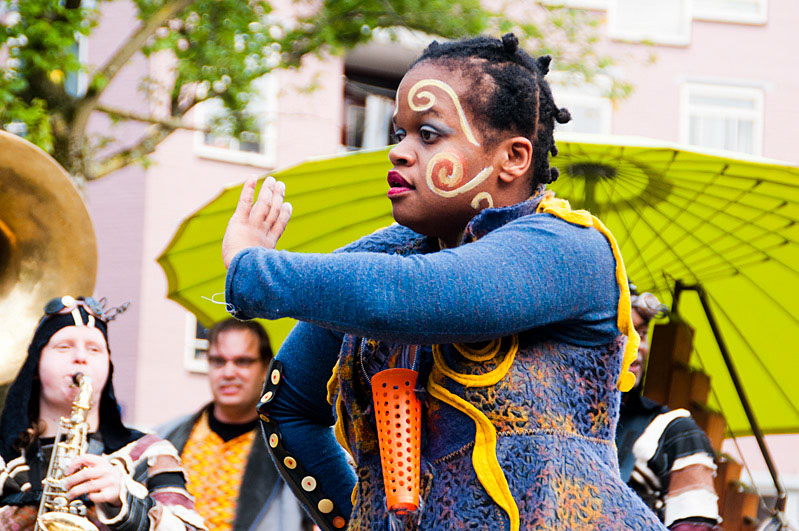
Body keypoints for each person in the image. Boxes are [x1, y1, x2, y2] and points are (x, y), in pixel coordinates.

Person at [221, 34, 666, 530]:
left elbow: (419, 295)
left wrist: (252, 268)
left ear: (513, 158)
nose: (400, 153)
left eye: (428, 135)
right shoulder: (383, 259)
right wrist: (365, 519)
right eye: (399, 135)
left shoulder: (568, 248)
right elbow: (289, 409)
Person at [0, 296, 206, 531]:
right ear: (35, 365)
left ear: (108, 367)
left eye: (94, 349)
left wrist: (126, 502)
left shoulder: (148, 454)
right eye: (64, 346)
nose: (81, 357)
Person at [159, 319, 309, 531]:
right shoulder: (163, 439)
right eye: (218, 361)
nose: (228, 373)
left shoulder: (291, 450)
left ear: (266, 368)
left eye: (243, 362)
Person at [615, 284, 721, 530]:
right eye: (624, 334)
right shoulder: (555, 424)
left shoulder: (677, 433)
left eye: (641, 334)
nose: (637, 346)